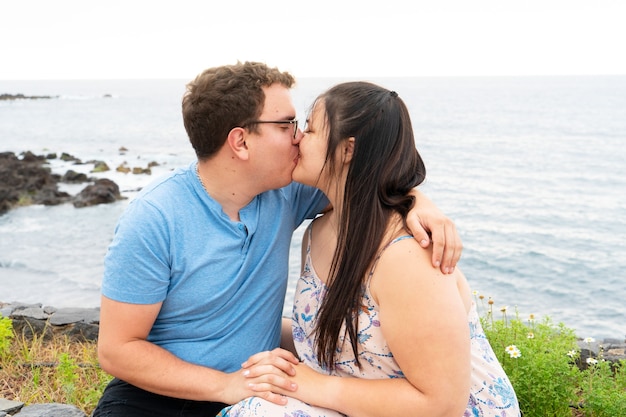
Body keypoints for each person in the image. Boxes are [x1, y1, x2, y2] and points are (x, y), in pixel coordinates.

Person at [91, 63, 462, 417]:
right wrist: (225, 385)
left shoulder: (286, 191)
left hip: (260, 390)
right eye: (287, 124)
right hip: (160, 395)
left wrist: (418, 203)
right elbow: (117, 350)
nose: (299, 135)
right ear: (240, 142)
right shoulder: (154, 217)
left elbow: (366, 180)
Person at [220, 82, 520, 416]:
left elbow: (442, 404)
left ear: (347, 150)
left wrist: (309, 385)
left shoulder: (407, 257)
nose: (297, 138)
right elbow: (328, 336)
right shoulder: (319, 232)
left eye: (311, 129)